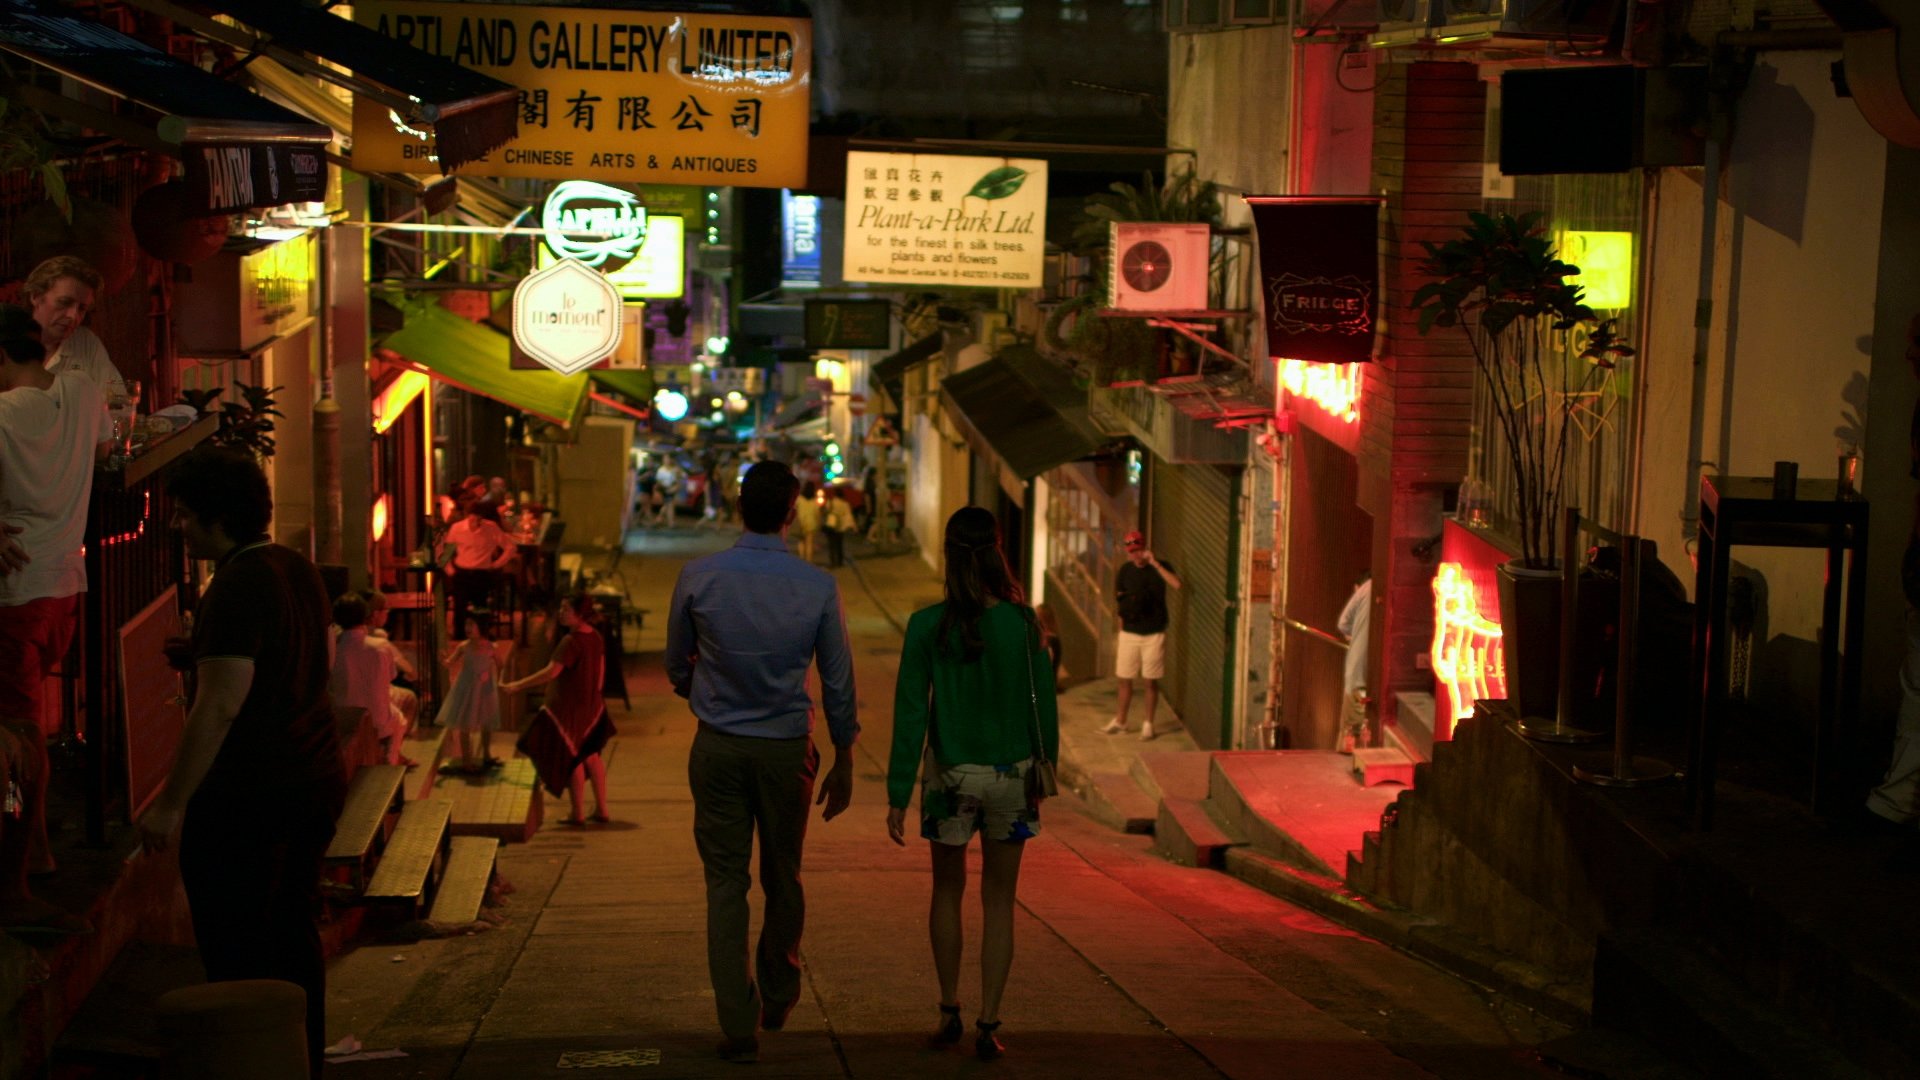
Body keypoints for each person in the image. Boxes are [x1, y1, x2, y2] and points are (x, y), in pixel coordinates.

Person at [138, 447, 346, 1080]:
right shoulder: (294, 567)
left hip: (252, 793)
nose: (178, 527)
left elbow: (220, 707)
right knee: (292, 932)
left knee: (238, 945)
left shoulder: (234, 586)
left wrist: (170, 803)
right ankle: (300, 1058)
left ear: (216, 518)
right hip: (315, 776)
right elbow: (300, 660)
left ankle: (249, 1064)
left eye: (184, 516)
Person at [667, 460, 858, 1064]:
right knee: (784, 873)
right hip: (784, 749)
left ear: (736, 507)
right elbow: (836, 679)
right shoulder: (817, 586)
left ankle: (736, 1018)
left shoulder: (699, 576)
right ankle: (778, 989)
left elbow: (677, 662)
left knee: (725, 883)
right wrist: (846, 754)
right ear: (791, 512)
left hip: (719, 745)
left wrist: (706, 691)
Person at [887, 507, 1058, 1061]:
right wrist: (1043, 768)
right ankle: (989, 1022)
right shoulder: (1024, 623)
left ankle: (948, 1010)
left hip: (950, 779)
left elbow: (911, 715)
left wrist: (896, 793)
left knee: (946, 892)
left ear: (948, 552)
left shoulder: (926, 625)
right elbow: (1045, 711)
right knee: (1000, 901)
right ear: (997, 550)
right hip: (1012, 778)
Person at [0, 304, 111, 934]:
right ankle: (35, 848)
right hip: (65, 586)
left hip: (15, 595)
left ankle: (12, 879)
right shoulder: (81, 388)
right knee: (29, 731)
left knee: (16, 744)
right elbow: (101, 448)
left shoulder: (2, 416)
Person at [502, 593, 612, 825]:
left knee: (572, 756)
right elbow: (601, 675)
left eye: (565, 610)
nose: (561, 614)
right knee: (591, 756)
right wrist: (595, 698)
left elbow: (551, 672)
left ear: (579, 614)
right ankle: (602, 809)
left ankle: (578, 813)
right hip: (592, 707)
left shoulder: (570, 642)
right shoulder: (595, 637)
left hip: (567, 709)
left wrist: (518, 685)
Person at [1104, 530, 1183, 740]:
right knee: (1124, 678)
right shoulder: (1125, 570)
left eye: (1138, 551)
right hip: (1129, 632)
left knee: (1150, 681)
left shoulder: (1160, 567)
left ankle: (1148, 723)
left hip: (1153, 634)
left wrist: (1155, 563)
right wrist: (1121, 628)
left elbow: (1177, 584)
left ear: (1145, 548)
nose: (1136, 556)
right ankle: (1121, 720)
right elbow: (1120, 599)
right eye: (1132, 552)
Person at [329, 593, 415, 766]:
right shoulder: (380, 647)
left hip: (343, 715)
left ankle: (389, 757)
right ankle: (390, 759)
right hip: (376, 719)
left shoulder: (333, 647)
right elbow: (391, 676)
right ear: (366, 616)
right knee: (399, 717)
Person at [24, 256, 125, 400]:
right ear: (36, 296)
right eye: (65, 302)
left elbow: (118, 401)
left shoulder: (86, 343)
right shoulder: (7, 343)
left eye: (82, 308)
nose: (73, 316)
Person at [440, 615, 503, 774]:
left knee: (486, 722)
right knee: (465, 724)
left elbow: (500, 665)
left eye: (471, 624)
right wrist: (444, 660)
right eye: (466, 624)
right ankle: (466, 761)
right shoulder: (463, 646)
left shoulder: (490, 647)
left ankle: (487, 755)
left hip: (485, 689)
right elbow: (450, 662)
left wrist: (497, 681)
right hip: (467, 689)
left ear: (481, 626)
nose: (467, 628)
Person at [442, 500, 515, 632]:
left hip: (482, 573)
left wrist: (497, 564)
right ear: (466, 516)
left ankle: (481, 637)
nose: (474, 521)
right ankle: (459, 636)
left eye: (478, 518)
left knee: (480, 607)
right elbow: (447, 552)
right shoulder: (457, 528)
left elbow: (510, 547)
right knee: (460, 608)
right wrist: (450, 571)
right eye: (472, 517)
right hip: (462, 572)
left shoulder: (491, 528)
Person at [1335, 574, 1372, 754]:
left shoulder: (1366, 588)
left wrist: (1356, 635)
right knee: (1364, 733)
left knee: (1350, 733)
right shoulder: (1382, 590)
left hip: (1358, 671)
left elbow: (1343, 623)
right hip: (1373, 675)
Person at [821, 485, 856, 569]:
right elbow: (849, 515)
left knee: (831, 544)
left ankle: (833, 562)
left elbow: (826, 511)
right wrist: (854, 526)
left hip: (831, 525)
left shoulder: (831, 502)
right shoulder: (845, 504)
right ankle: (840, 562)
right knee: (840, 544)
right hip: (841, 526)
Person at [793, 481, 821, 564]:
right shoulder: (814, 501)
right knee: (809, 543)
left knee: (801, 542)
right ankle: (809, 562)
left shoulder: (799, 499)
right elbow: (817, 513)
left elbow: (794, 509)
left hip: (801, 523)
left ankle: (801, 560)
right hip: (811, 524)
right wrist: (818, 523)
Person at [655, 456, 685, 528]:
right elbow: (658, 481)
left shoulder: (674, 469)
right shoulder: (661, 470)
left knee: (667, 505)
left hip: (672, 488)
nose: (667, 461)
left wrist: (678, 474)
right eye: (666, 459)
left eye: (668, 459)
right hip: (665, 489)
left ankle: (659, 519)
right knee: (670, 504)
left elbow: (682, 476)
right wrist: (665, 487)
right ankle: (670, 522)